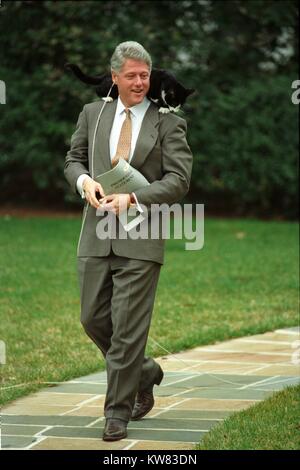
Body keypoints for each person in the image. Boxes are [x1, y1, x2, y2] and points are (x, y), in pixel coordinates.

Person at [64, 41, 193, 442]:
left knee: (126, 331)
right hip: (95, 235)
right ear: (115, 76)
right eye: (132, 75)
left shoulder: (168, 121)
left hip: (143, 237)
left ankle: (117, 413)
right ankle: (146, 372)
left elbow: (179, 180)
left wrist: (135, 196)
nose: (140, 82)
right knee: (92, 319)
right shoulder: (92, 114)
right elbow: (74, 159)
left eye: (145, 75)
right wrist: (84, 182)